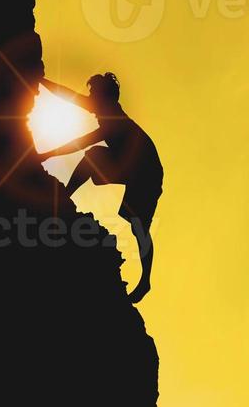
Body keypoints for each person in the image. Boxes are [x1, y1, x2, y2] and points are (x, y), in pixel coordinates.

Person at [39, 73, 162, 303]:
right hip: (130, 164)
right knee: (94, 159)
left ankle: (145, 281)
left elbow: (82, 142)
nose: (90, 101)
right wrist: (41, 81)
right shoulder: (103, 109)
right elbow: (68, 95)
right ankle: (66, 195)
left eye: (94, 95)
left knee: (138, 226)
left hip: (147, 171)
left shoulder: (113, 119)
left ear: (105, 98)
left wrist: (46, 154)